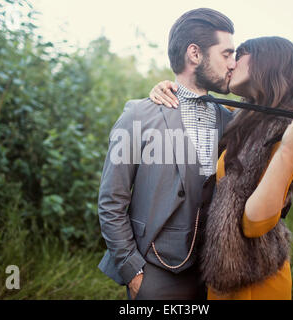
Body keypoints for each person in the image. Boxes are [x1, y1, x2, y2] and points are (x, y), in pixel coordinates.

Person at [149, 36, 293, 299]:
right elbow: (198, 100)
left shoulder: (288, 131)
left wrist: (288, 150)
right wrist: (169, 88)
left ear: (267, 61)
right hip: (225, 275)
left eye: (239, 54)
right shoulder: (250, 117)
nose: (231, 64)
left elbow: (255, 223)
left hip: (254, 282)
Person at [97, 8, 237, 300]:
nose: (233, 64)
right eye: (226, 54)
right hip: (155, 272)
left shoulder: (231, 120)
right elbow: (111, 200)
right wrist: (133, 271)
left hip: (216, 277)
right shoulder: (140, 114)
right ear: (194, 54)